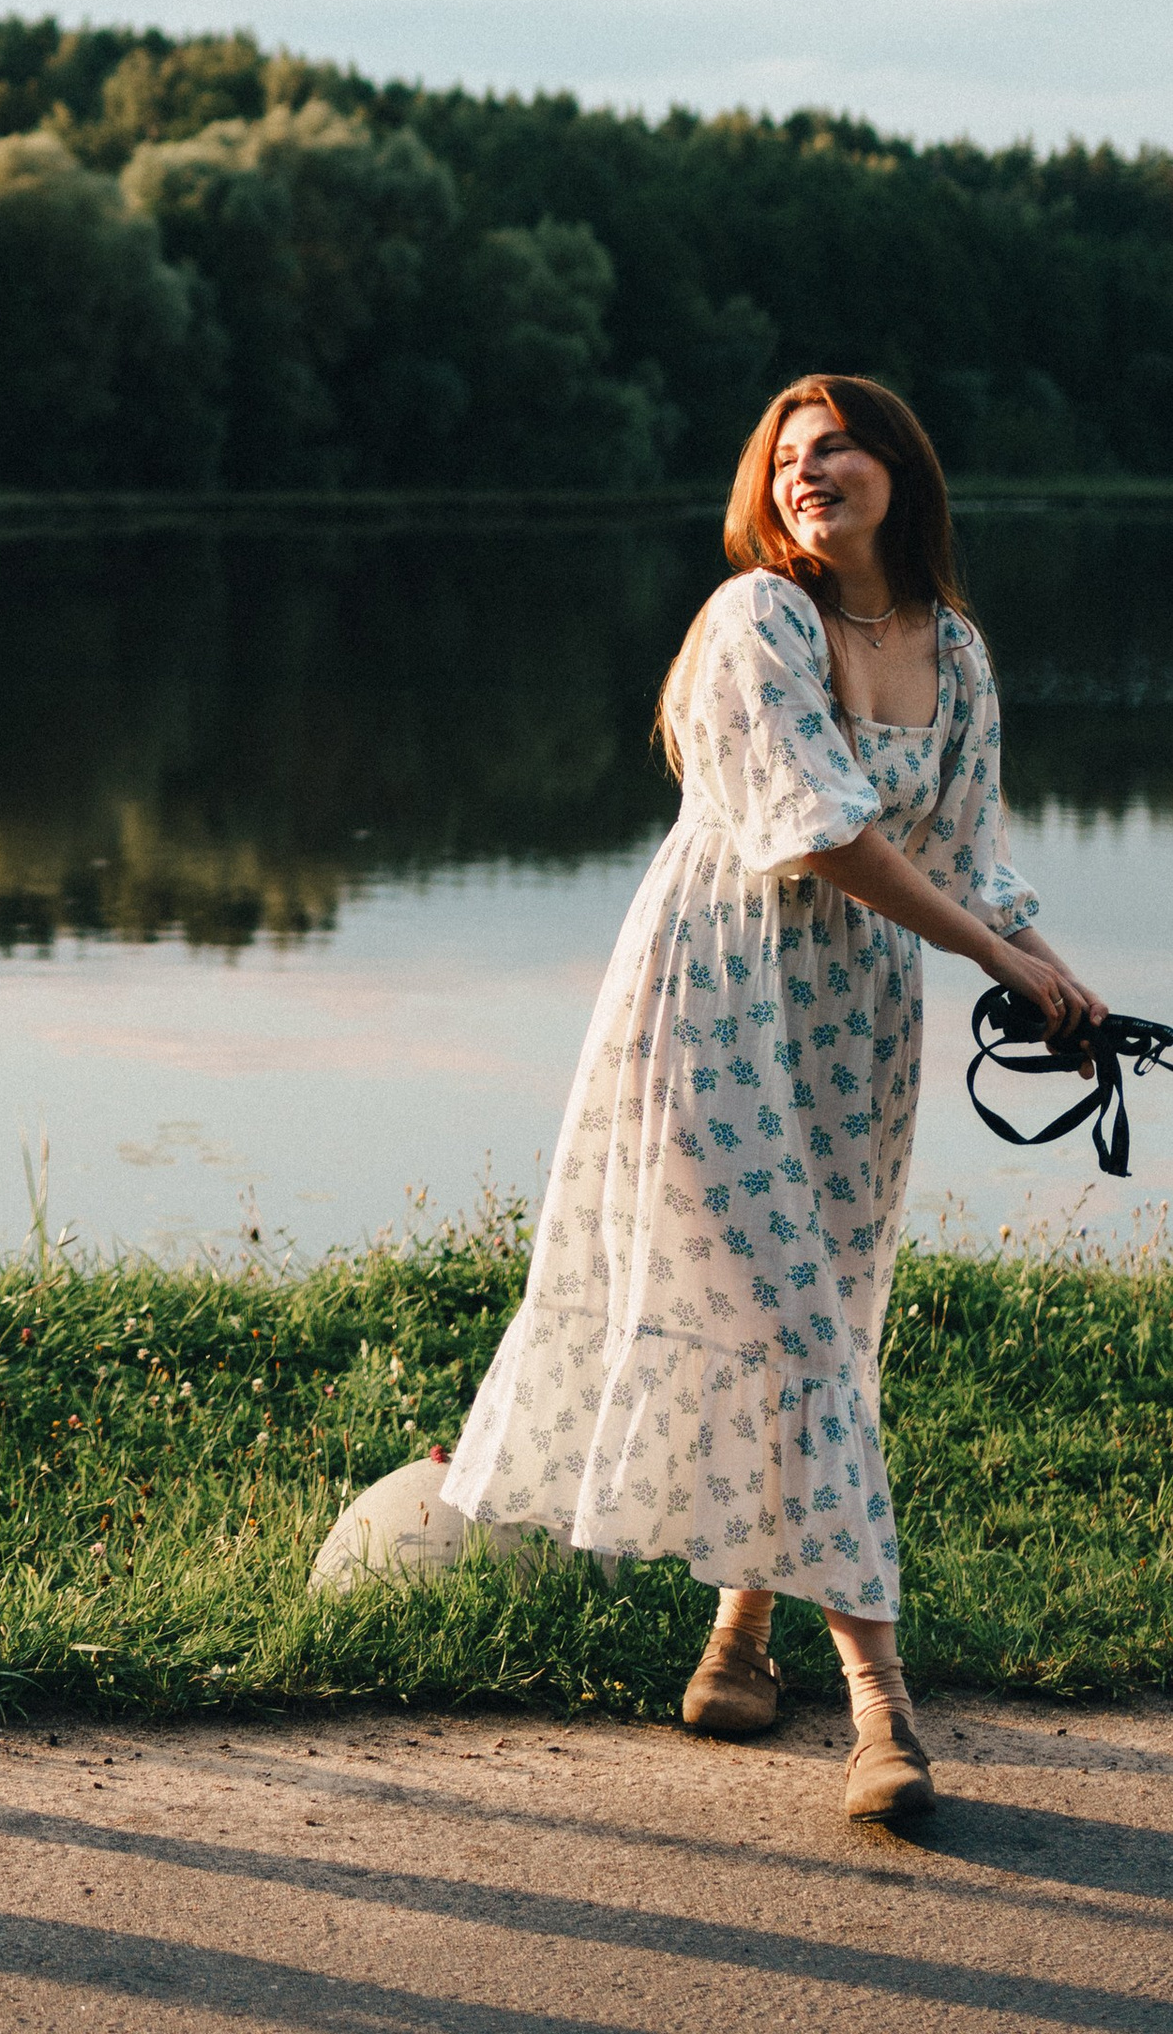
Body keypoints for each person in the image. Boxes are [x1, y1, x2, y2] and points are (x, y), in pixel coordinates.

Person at [443, 374, 1106, 1829]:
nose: (811, 474)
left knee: (828, 1315)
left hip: (862, 1017)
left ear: (900, 470)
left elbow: (971, 858)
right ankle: (881, 1707)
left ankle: (739, 1638)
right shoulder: (757, 622)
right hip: (714, 999)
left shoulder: (962, 656)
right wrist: (991, 951)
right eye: (789, 458)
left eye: (839, 449)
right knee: (791, 1310)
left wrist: (1060, 979)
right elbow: (825, 838)